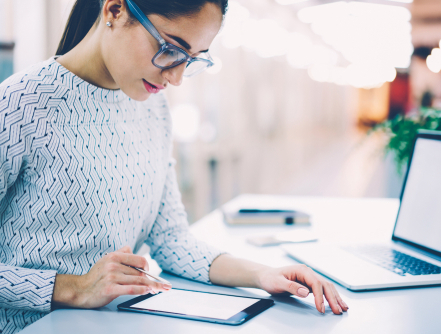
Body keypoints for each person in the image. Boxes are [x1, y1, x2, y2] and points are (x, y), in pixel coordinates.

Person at [0, 0, 348, 332]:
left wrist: (264, 275)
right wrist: (72, 288)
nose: (176, 77)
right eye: (170, 49)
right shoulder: (21, 105)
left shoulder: (153, 108)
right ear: (115, 10)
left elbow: (170, 238)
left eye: (192, 59)